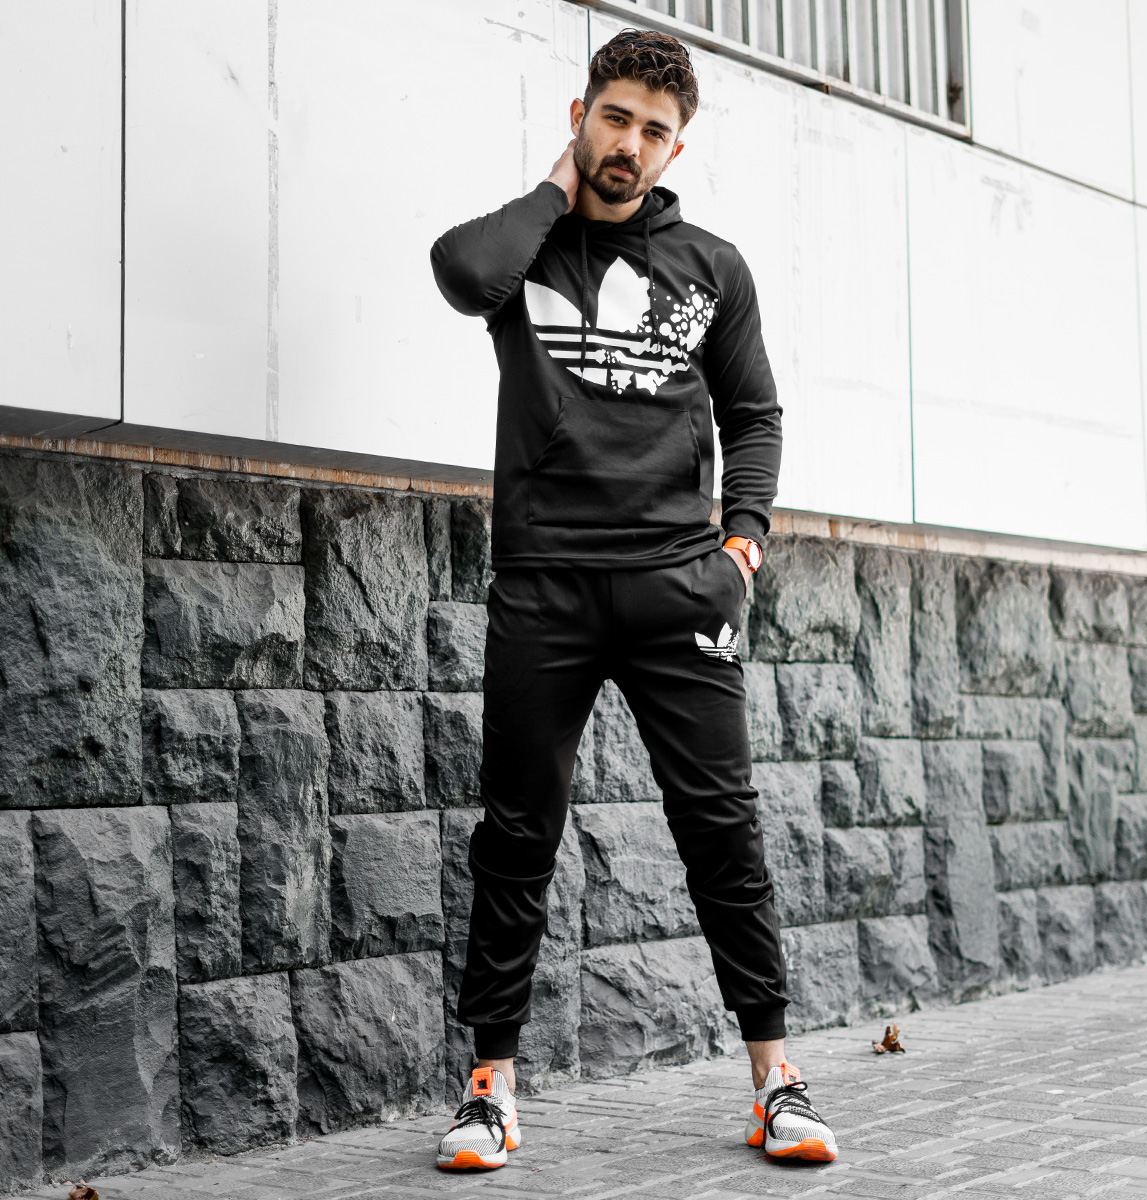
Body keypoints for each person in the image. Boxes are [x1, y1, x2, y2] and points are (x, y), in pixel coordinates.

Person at [428, 27, 838, 1170]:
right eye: (615, 119)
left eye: (656, 132)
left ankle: (777, 1080)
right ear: (581, 117)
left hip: (677, 588)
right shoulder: (524, 253)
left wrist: (742, 546)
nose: (632, 146)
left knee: (724, 833)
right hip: (544, 586)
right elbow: (461, 272)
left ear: (676, 147)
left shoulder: (714, 267)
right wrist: (554, 193)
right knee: (517, 838)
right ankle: (490, 1090)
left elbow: (755, 414)